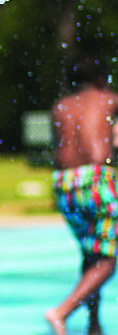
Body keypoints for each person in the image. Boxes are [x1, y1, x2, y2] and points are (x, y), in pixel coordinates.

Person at [46, 54, 118, 335]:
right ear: (101, 80)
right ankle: (61, 312)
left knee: (91, 254)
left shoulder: (60, 106)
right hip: (96, 180)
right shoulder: (109, 99)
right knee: (108, 260)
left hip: (64, 184)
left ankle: (93, 324)